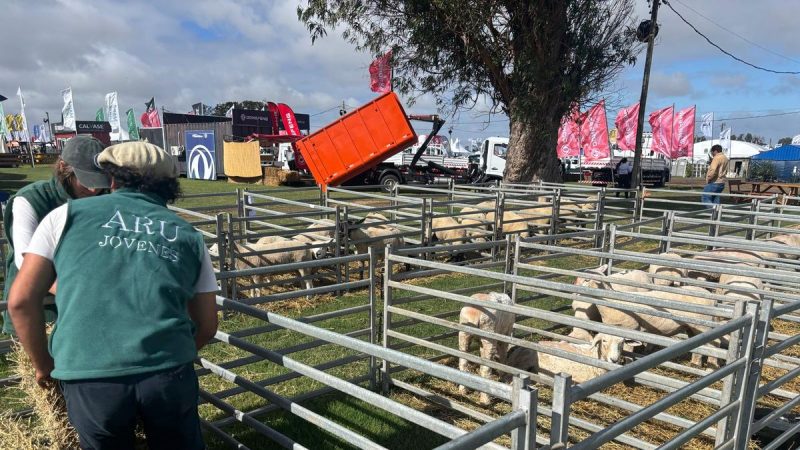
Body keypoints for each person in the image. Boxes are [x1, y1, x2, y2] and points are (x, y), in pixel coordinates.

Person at [8, 141, 219, 450]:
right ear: (170, 184)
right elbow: (208, 324)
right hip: (167, 377)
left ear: (111, 178)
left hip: (90, 377)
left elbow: (21, 301)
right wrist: (171, 357)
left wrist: (43, 366)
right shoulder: (188, 235)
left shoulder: (64, 217)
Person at [2, 135, 109, 336]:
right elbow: (24, 260)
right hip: (42, 309)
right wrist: (79, 294)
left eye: (99, 181)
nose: (94, 189)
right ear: (63, 168)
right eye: (86, 181)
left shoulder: (103, 200)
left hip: (84, 307)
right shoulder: (31, 199)